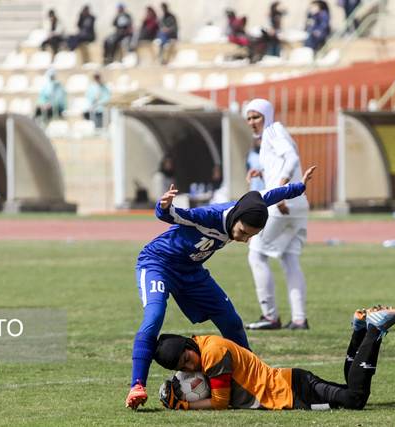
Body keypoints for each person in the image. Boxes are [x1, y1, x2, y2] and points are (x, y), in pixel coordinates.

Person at [125, 165, 317, 410]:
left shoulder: (246, 209)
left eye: (251, 236)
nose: (245, 239)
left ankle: (254, 378)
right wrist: (163, 206)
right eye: (243, 232)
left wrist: (299, 187)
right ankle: (137, 385)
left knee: (231, 321)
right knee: (154, 315)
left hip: (192, 272)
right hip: (158, 264)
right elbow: (173, 216)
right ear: (236, 218)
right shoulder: (209, 216)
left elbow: (269, 196)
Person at [154, 305, 395, 411]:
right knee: (348, 391)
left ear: (189, 345)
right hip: (290, 386)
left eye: (187, 359)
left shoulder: (212, 354)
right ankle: (360, 328)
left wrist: (184, 405)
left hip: (290, 393)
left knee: (355, 399)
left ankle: (373, 329)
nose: (191, 366)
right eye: (184, 368)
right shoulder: (205, 343)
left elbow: (220, 403)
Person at [245, 98, 310, 331]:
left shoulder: (273, 130)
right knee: (289, 257)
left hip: (282, 203)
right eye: (249, 118)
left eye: (256, 116)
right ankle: (300, 319)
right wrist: (260, 171)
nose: (252, 122)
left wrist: (280, 189)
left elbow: (291, 158)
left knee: (256, 254)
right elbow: (280, 162)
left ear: (267, 115)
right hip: (298, 204)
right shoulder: (271, 136)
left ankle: (269, 316)